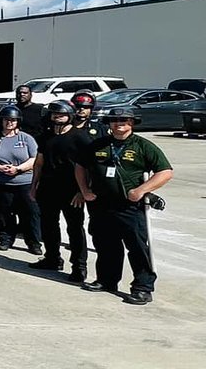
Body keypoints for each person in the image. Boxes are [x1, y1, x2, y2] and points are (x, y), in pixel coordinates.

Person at [76, 106, 173, 306]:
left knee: (137, 247)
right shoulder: (99, 145)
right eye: (114, 121)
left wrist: (141, 190)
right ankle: (106, 280)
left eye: (124, 120)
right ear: (109, 124)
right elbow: (80, 166)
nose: (119, 124)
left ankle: (142, 288)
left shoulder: (143, 146)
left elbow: (165, 172)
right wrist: (85, 190)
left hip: (129, 206)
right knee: (105, 245)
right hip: (101, 204)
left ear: (132, 123)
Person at [29, 100, 92, 282]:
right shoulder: (46, 137)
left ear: (70, 115)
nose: (57, 118)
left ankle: (79, 266)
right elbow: (38, 163)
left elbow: (90, 166)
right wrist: (33, 186)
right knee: (48, 226)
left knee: (74, 228)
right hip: (48, 189)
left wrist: (83, 191)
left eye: (61, 115)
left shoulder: (80, 137)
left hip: (72, 191)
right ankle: (52, 258)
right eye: (54, 115)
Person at [0, 106, 41, 253]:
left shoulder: (26, 138)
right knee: (4, 213)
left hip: (24, 182)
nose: (9, 122)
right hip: (1, 182)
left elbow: (34, 159)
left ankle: (34, 242)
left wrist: (19, 169)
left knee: (29, 213)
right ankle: (6, 239)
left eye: (13, 120)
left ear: (18, 121)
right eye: (6, 120)